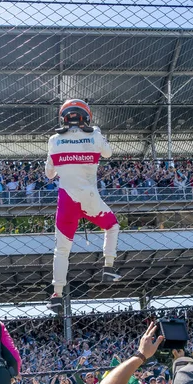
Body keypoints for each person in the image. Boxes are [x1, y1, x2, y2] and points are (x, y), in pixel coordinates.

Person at [45, 99, 121, 313]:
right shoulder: (94, 134)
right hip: (89, 197)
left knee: (61, 250)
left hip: (66, 199)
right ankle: (108, 266)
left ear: (63, 117)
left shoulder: (54, 140)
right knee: (112, 226)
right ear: (86, 116)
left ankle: (57, 294)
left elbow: (49, 174)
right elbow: (108, 153)